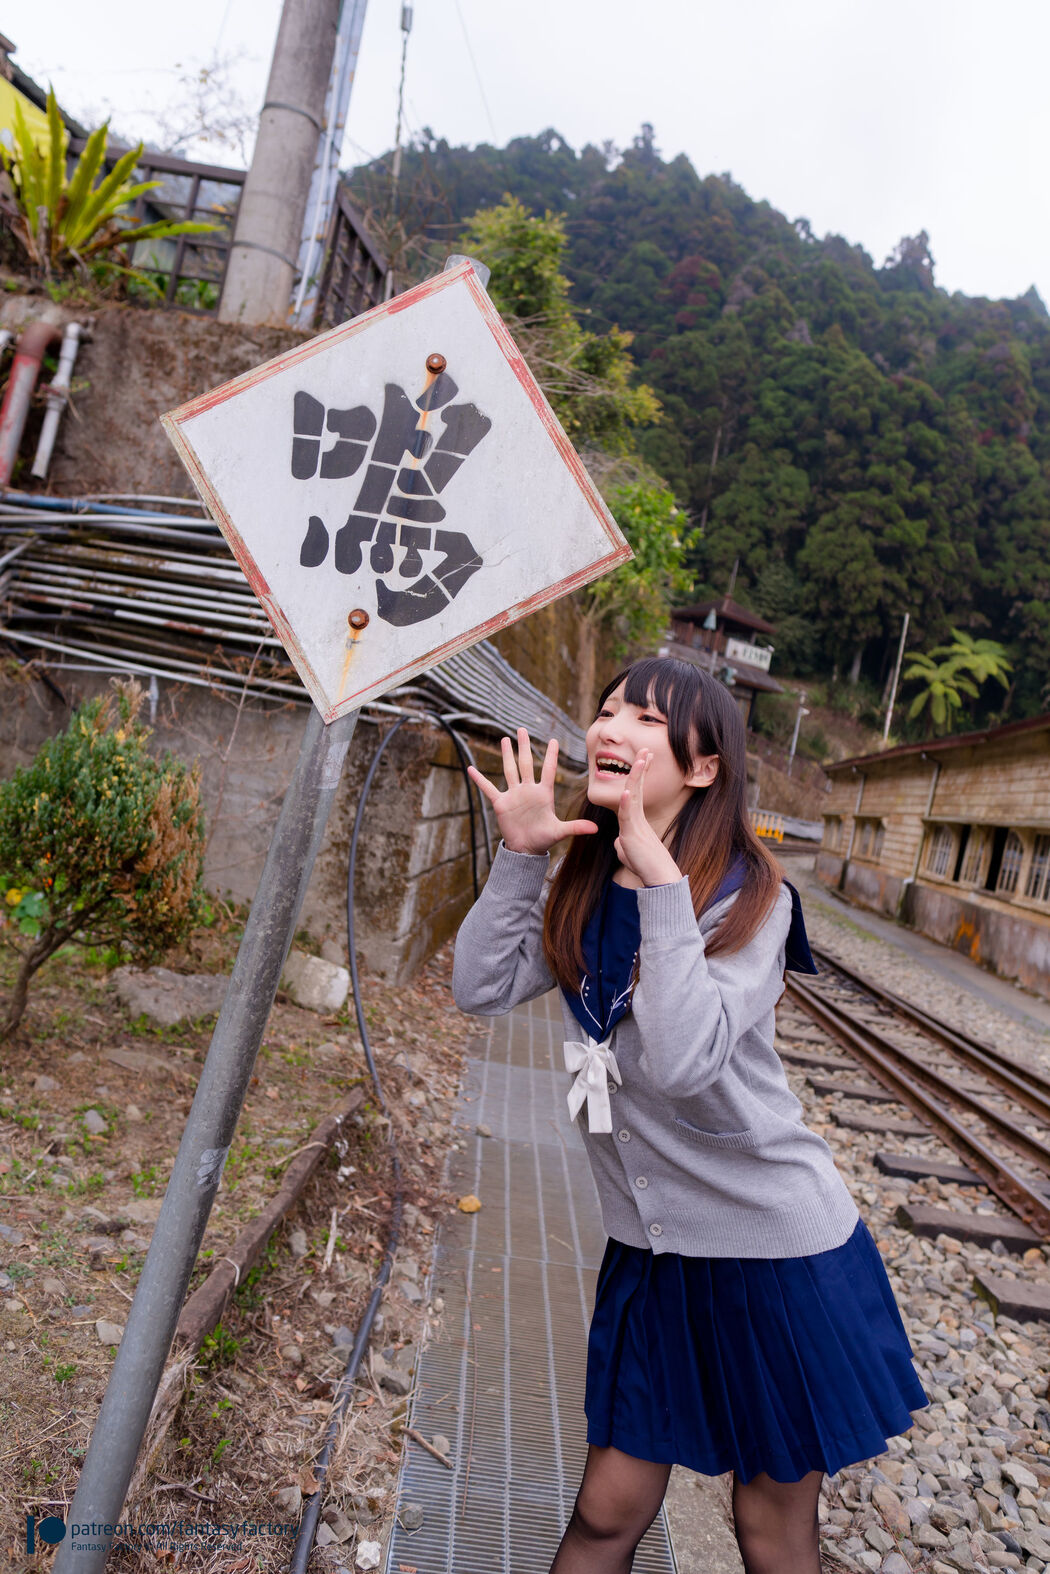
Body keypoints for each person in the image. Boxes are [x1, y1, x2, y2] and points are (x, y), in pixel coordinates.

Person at [452, 656, 926, 1574]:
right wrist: (521, 857)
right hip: (653, 1254)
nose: (610, 729)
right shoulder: (587, 874)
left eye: (645, 719)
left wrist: (663, 888)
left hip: (773, 1255)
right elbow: (479, 986)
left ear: (703, 768)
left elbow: (678, 1062)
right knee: (605, 1513)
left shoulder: (753, 899)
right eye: (607, 710)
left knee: (768, 1524)